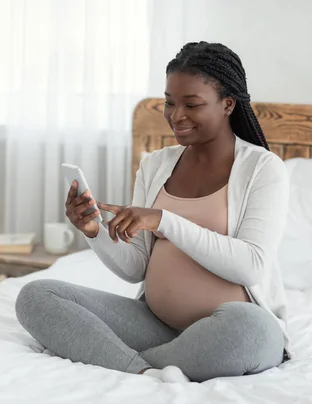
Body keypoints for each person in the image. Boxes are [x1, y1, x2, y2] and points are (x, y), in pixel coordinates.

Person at [15, 41, 290, 383]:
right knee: (37, 295)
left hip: (231, 327)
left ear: (228, 104)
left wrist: (165, 220)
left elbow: (251, 266)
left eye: (192, 104)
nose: (176, 116)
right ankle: (144, 371)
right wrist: (95, 231)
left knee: (252, 331)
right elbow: (136, 268)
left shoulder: (263, 169)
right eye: (170, 103)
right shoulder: (156, 165)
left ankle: (109, 356)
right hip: (155, 326)